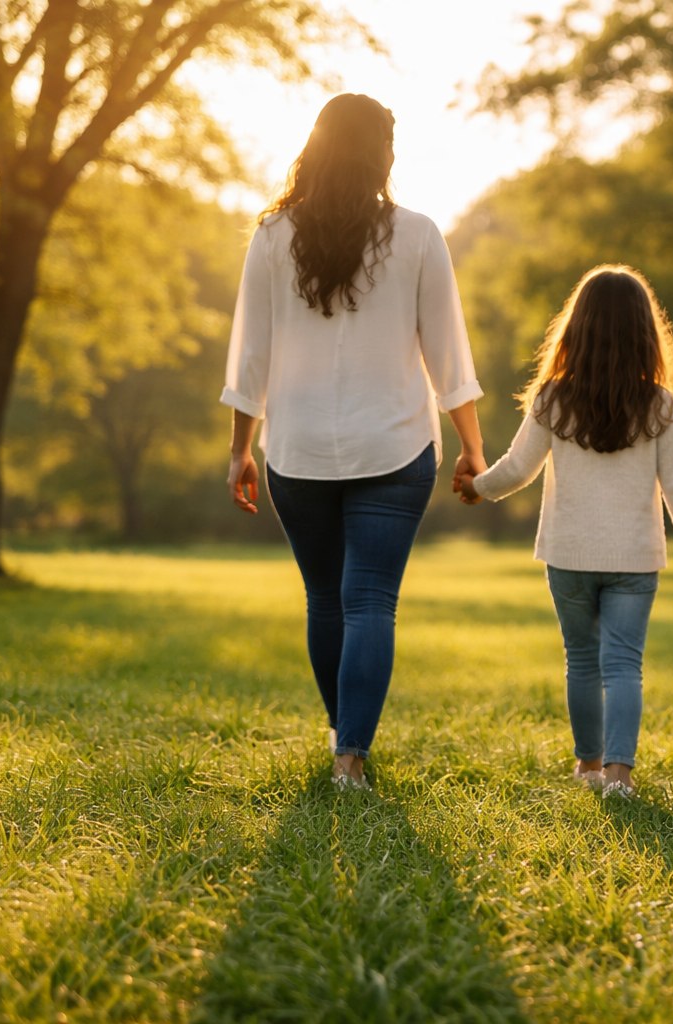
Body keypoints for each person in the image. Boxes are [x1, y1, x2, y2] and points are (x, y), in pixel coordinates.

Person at [222, 94, 486, 792]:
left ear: (317, 148)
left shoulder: (272, 235)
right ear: (384, 155)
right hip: (395, 448)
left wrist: (239, 449)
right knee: (369, 600)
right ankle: (351, 760)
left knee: (325, 600)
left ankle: (346, 735)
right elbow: (449, 357)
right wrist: (473, 448)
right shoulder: (419, 234)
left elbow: (249, 357)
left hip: (299, 449)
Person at [457, 265, 673, 799]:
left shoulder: (553, 398)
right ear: (647, 334)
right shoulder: (660, 404)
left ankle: (589, 766)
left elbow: (518, 468)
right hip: (634, 559)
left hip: (569, 555)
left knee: (581, 659)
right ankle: (620, 776)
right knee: (623, 664)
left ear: (576, 329)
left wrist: (478, 486)